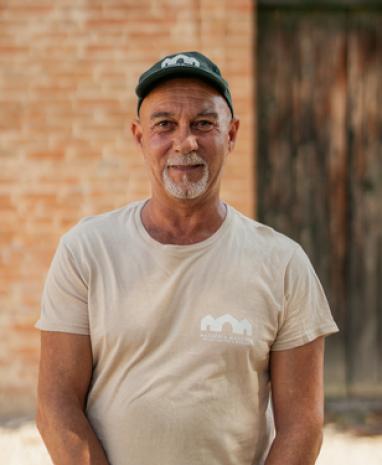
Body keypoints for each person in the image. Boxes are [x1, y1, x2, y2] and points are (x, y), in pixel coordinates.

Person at [35, 51, 339, 465]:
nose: (185, 142)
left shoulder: (283, 264)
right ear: (139, 136)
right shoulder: (87, 251)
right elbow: (57, 407)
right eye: (164, 125)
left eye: (203, 123)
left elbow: (303, 426)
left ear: (231, 135)